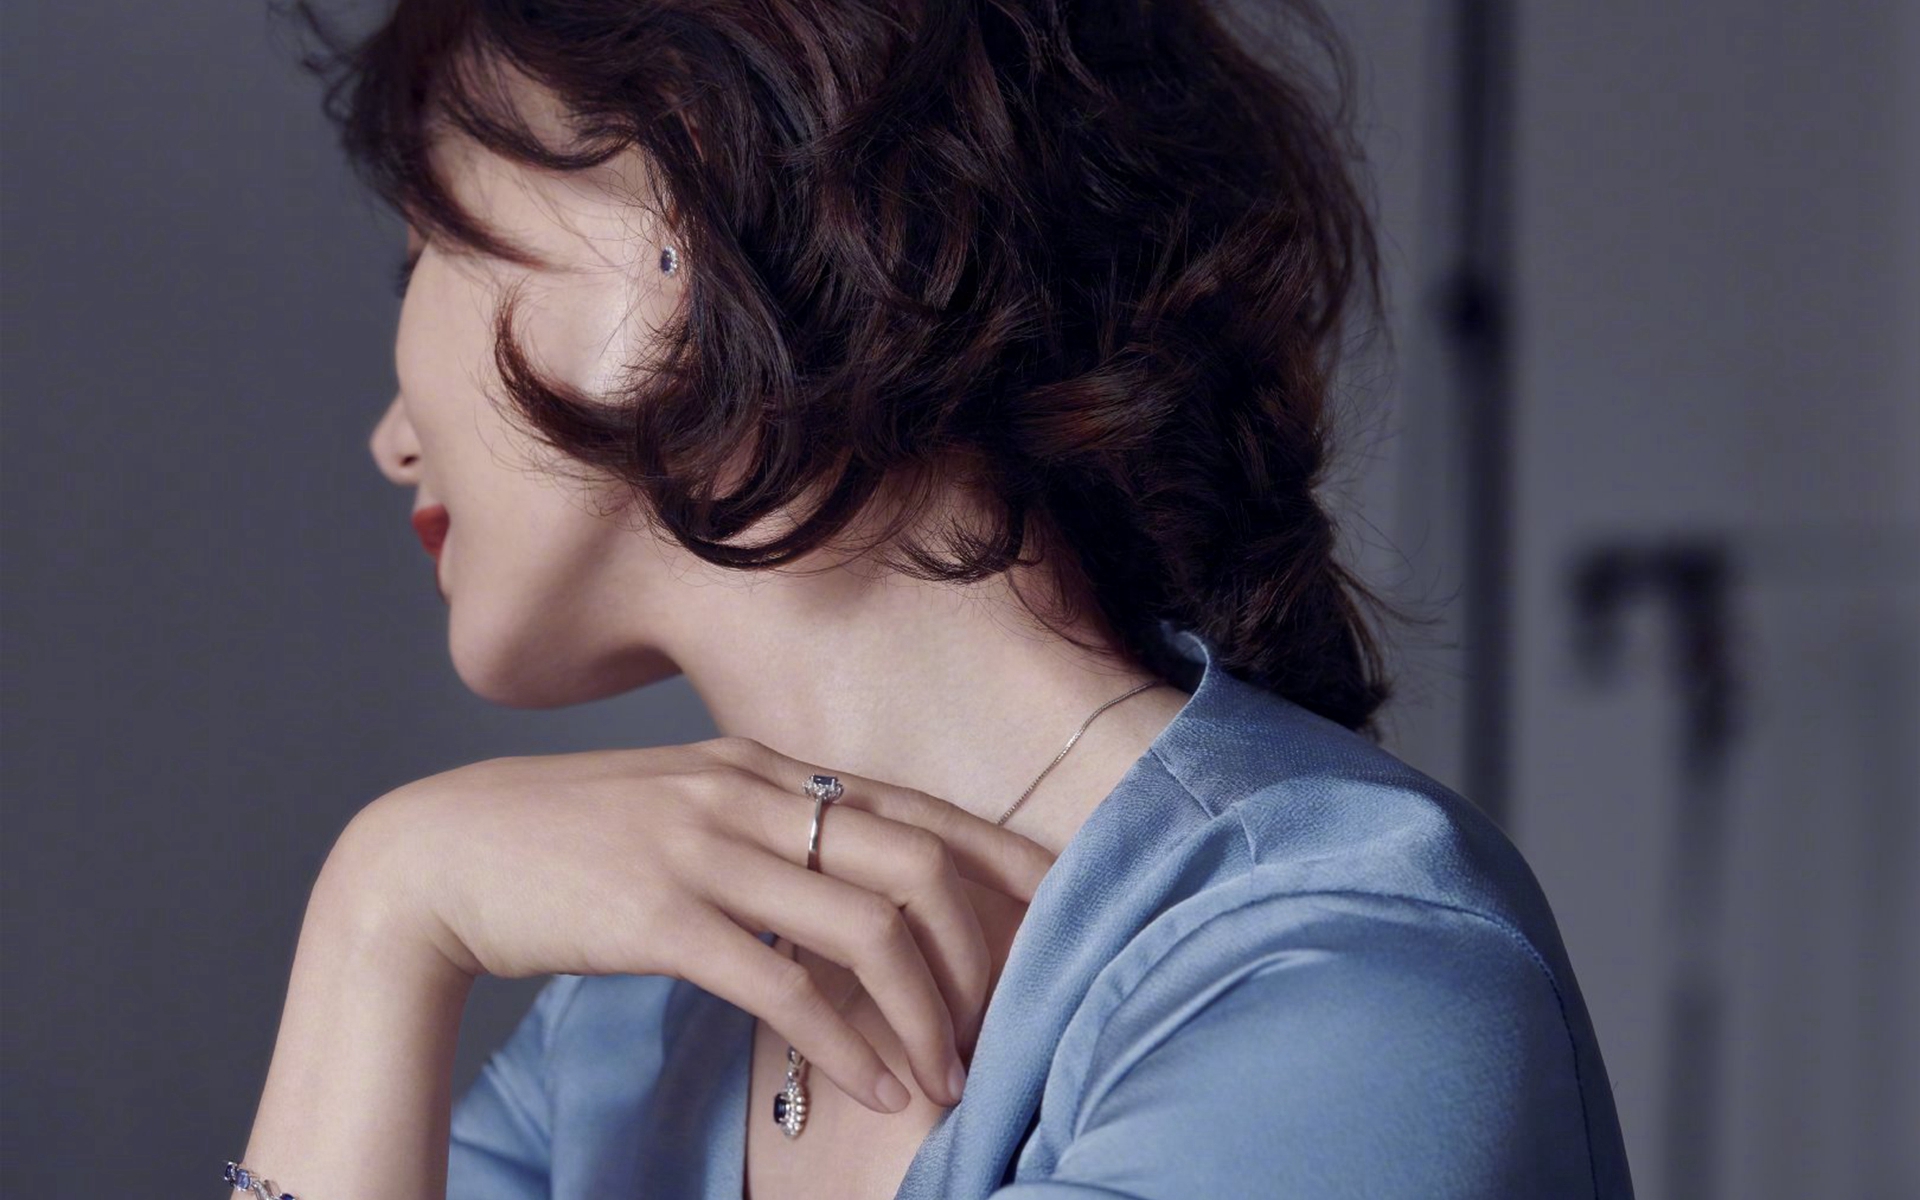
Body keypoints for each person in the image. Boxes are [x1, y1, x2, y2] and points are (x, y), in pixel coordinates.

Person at [231, 1, 1635, 1197]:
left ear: (682, 213)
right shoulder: (633, 1030)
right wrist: (381, 917)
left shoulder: (1338, 970)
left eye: (427, 251)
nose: (391, 441)